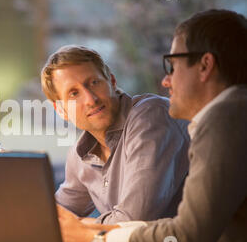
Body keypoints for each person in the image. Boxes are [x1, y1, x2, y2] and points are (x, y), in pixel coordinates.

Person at [57, 9, 247, 242]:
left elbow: (187, 240)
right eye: (74, 93)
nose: (166, 80)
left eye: (173, 65)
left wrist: (95, 238)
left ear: (204, 66)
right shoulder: (234, 115)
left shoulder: (225, 119)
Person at [41, 45, 190, 225]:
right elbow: (52, 218)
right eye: (74, 93)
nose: (90, 99)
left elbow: (133, 219)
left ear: (112, 81)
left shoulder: (151, 117)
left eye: (94, 82)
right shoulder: (81, 155)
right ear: (61, 110)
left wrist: (81, 226)